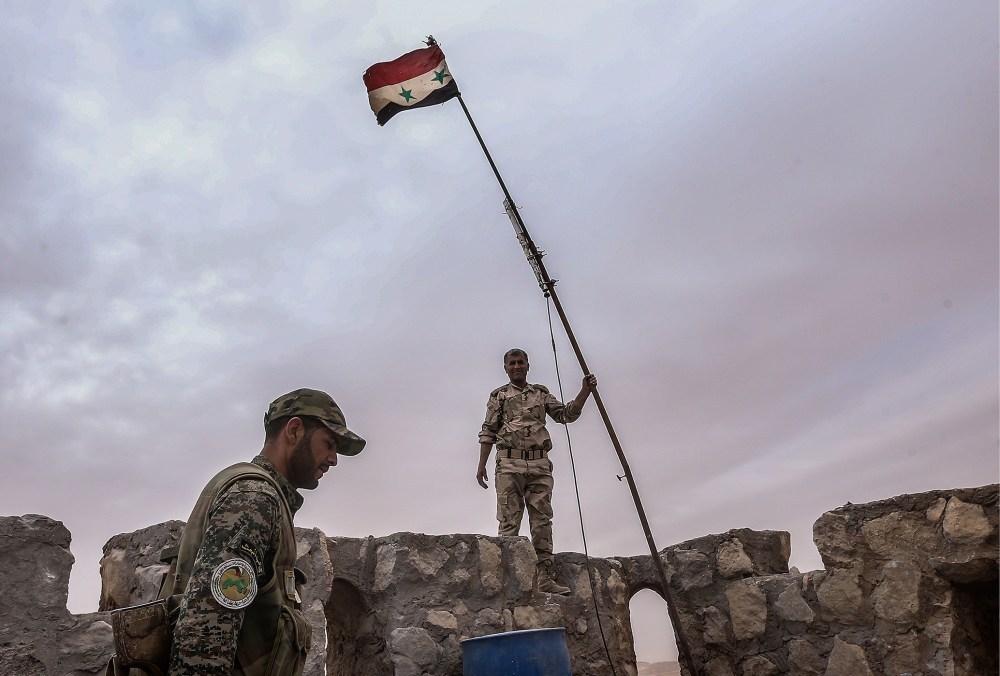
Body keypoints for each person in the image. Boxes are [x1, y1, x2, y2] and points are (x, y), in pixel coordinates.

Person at [165, 388, 366, 675]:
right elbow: (207, 626)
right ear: (294, 430)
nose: (333, 459)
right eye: (329, 443)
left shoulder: (263, 496)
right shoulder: (255, 498)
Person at [477, 348, 597, 595]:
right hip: (509, 464)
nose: (517, 366)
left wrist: (584, 391)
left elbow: (566, 414)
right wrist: (481, 466)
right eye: (512, 363)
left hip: (539, 465)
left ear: (528, 365)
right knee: (509, 524)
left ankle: (545, 578)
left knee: (542, 523)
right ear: (506, 368)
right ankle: (510, 583)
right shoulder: (498, 396)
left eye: (521, 362)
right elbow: (488, 431)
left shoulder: (541, 394)